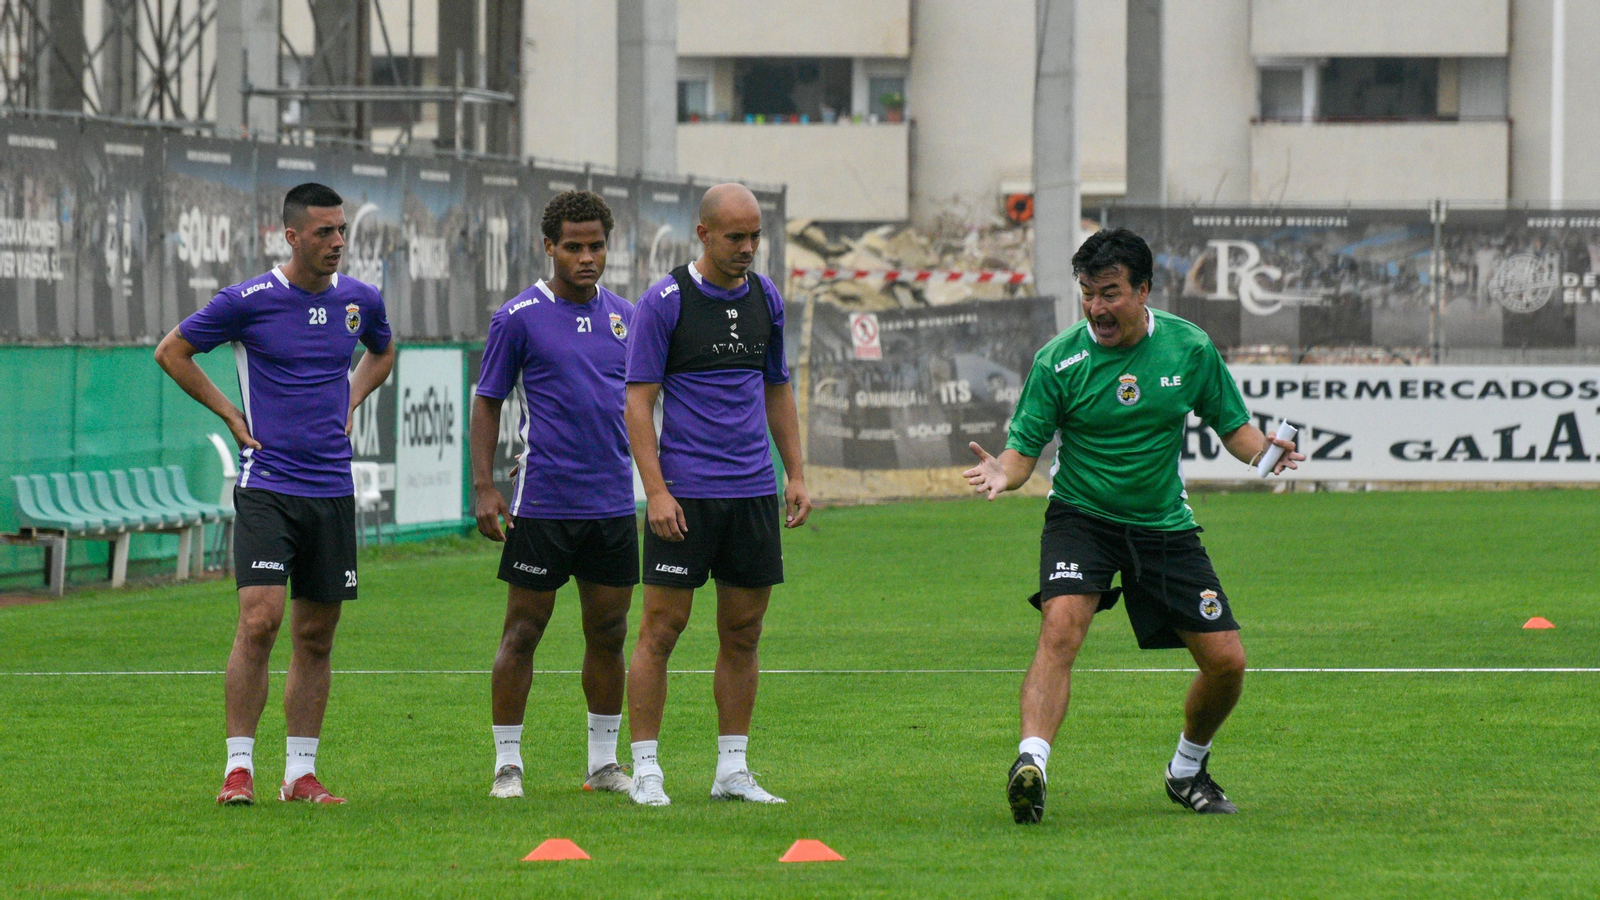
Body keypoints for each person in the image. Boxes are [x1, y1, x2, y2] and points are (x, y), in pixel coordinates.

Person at [963, 227, 1303, 824]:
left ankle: (1187, 769)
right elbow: (1022, 453)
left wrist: (1265, 453)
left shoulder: (1189, 349)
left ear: (1144, 290)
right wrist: (1003, 474)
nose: (1097, 308)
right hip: (1081, 518)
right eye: (1088, 293)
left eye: (1111, 293)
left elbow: (1235, 430)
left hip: (1162, 526)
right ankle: (1031, 765)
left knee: (1227, 663)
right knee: (1060, 626)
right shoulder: (1059, 361)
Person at [155, 183, 395, 806]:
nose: (337, 242)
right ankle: (239, 768)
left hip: (331, 490)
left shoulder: (360, 301)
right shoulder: (248, 301)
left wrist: (352, 396)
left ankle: (300, 774)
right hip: (268, 485)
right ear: (291, 236)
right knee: (260, 620)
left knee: (316, 636)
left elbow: (383, 351)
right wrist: (231, 415)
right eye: (324, 232)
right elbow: (172, 351)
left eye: (342, 230)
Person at [623, 183, 811, 806]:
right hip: (686, 495)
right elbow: (638, 401)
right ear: (702, 234)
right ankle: (646, 768)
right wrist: (655, 491)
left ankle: (732, 769)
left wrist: (797, 475)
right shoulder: (665, 302)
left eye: (755, 235)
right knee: (661, 628)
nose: (748, 248)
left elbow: (777, 389)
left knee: (744, 631)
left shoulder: (767, 298)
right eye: (736, 236)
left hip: (752, 492)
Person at [470, 190, 637, 799]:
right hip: (543, 503)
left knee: (610, 631)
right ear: (549, 247)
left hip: (613, 502)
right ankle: (507, 764)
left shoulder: (627, 315)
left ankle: (602, 763)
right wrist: (485, 485)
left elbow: (642, 402)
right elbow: (487, 400)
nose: (586, 257)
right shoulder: (519, 316)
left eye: (596, 246)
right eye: (574, 247)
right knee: (523, 631)